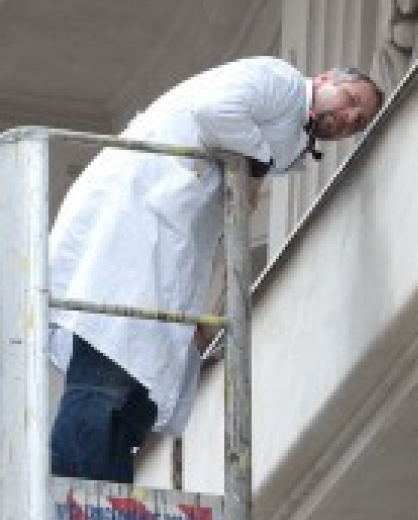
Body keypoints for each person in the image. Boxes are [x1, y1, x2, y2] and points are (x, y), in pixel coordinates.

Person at [48, 56, 382, 484]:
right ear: (324, 79)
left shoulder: (284, 135)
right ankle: (78, 511)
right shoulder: (278, 81)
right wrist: (255, 169)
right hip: (130, 242)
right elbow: (213, 112)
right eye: (351, 99)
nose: (350, 117)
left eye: (359, 122)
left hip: (159, 254)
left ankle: (108, 517)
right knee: (105, 384)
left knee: (134, 405)